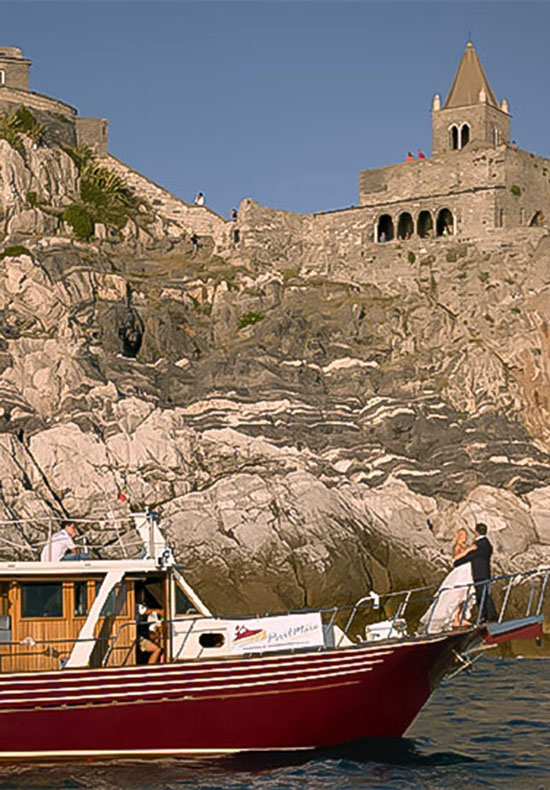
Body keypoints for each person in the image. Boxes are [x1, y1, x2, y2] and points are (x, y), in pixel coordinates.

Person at [419, 529, 474, 634]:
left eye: (465, 535)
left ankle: (459, 618)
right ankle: (454, 619)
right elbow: (457, 559)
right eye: (462, 535)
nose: (464, 537)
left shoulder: (467, 547)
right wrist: (469, 550)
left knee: (464, 597)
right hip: (461, 573)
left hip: (468, 572)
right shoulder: (457, 547)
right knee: (456, 596)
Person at [454, 522, 498, 622]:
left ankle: (490, 617)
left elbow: (471, 556)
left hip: (479, 574)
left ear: (476, 532)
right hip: (483, 573)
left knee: (482, 595)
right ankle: (487, 616)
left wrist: (458, 562)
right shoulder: (487, 543)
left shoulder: (480, 544)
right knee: (482, 595)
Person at [137, 598, 164, 664]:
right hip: (136, 637)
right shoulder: (137, 606)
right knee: (157, 649)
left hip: (137, 634)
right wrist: (161, 611)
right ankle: (151, 668)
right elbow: (146, 611)